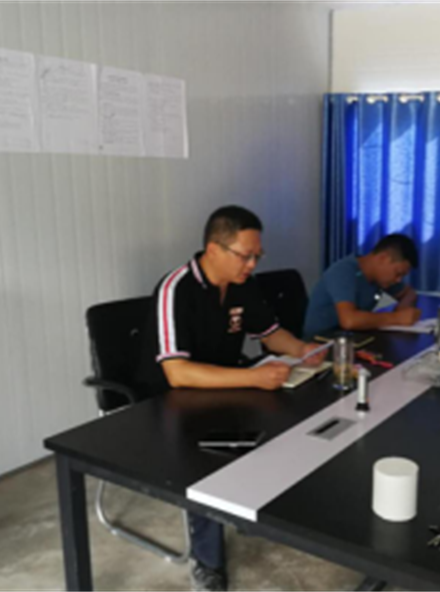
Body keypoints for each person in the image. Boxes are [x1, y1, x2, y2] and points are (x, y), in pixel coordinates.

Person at [135, 205, 325, 592]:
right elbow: (177, 373)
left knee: (289, 413)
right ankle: (207, 562)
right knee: (203, 460)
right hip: (171, 399)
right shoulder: (176, 289)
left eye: (258, 256)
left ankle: (253, 507)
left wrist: (303, 350)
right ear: (213, 249)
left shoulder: (242, 284)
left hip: (226, 384)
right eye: (245, 255)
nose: (252, 265)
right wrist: (253, 378)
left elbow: (270, 334)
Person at [302, 234, 421, 340]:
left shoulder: (379, 278)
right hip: (320, 344)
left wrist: (402, 308)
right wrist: (396, 318)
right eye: (398, 273)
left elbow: (409, 293)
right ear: (383, 258)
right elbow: (349, 320)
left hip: (353, 339)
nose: (398, 280)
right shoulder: (344, 272)